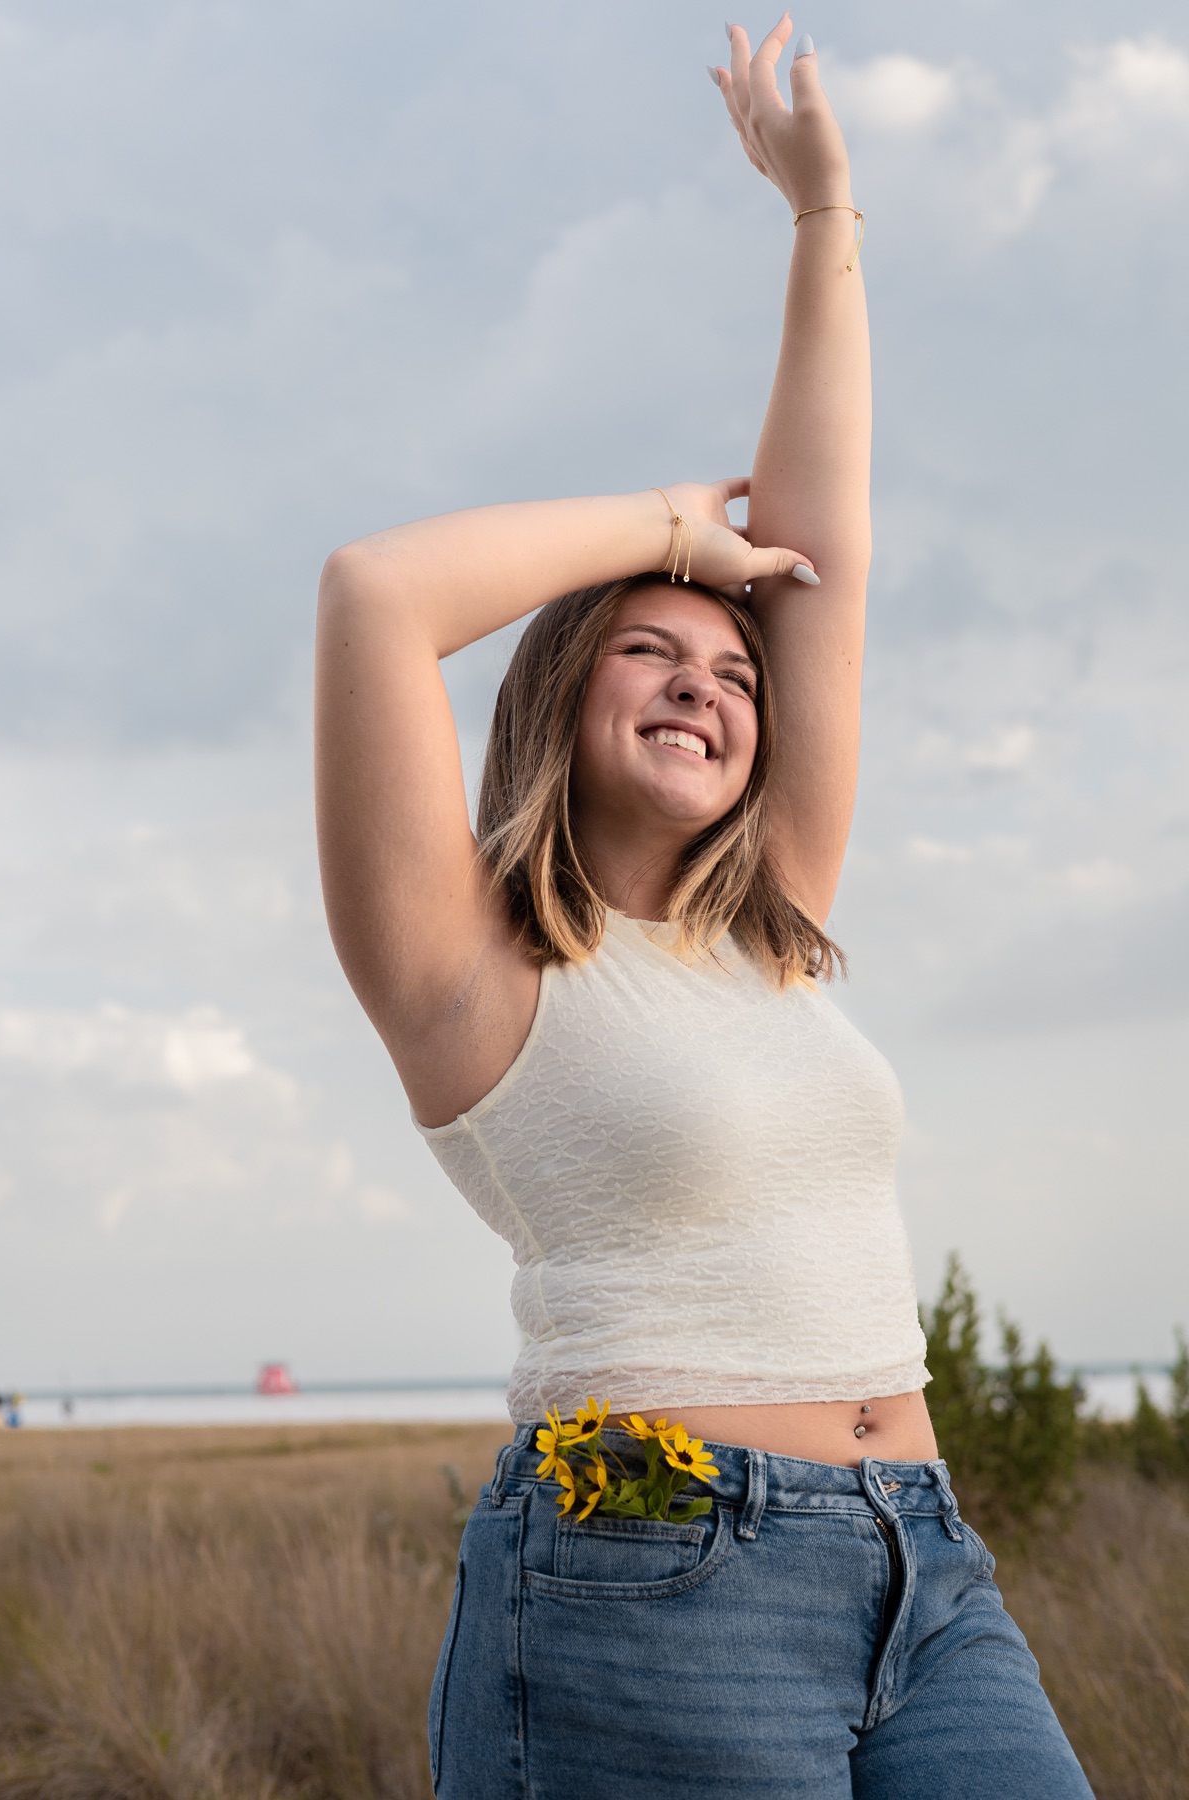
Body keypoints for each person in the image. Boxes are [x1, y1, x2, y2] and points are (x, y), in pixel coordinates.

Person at [314, 16, 1093, 1798]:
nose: (706, 682)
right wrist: (673, 524)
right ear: (561, 704)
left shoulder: (776, 928)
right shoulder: (468, 967)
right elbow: (376, 593)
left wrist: (824, 213)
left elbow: (828, 553)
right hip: (648, 1561)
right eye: (648, 654)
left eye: (734, 671)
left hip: (926, 1556)